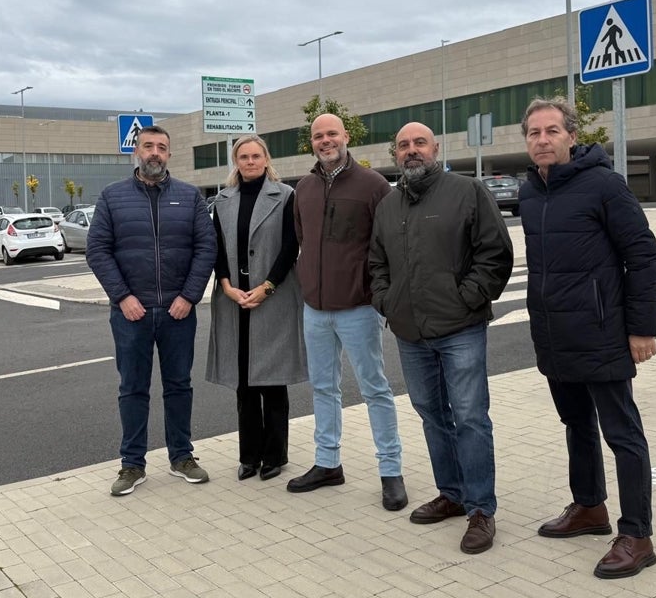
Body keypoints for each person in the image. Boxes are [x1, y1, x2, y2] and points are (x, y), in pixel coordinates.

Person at [519, 97, 656, 579]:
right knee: (576, 424)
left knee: (622, 434)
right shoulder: (530, 190)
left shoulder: (604, 184)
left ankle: (637, 534)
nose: (542, 139)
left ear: (572, 136)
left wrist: (641, 328)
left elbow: (641, 254)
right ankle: (590, 509)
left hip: (601, 331)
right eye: (534, 132)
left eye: (552, 131)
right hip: (555, 333)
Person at [370, 122, 514, 554]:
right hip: (410, 331)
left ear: (436, 148)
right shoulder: (388, 205)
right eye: (403, 145)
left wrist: (467, 298)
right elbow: (376, 261)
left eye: (419, 144)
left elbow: (495, 253)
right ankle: (451, 493)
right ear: (394, 154)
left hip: (460, 328)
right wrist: (386, 301)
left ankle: (481, 510)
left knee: (470, 416)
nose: (411, 151)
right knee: (432, 413)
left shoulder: (467, 192)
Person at [86, 125, 217, 497]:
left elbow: (205, 249)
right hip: (132, 313)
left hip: (178, 311)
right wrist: (122, 297)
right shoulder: (112, 197)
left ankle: (181, 457)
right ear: (136, 152)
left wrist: (189, 296)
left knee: (179, 385)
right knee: (132, 388)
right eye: (148, 146)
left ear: (170, 154)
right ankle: (132, 464)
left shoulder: (190, 197)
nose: (155, 152)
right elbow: (97, 250)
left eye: (161, 147)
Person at [287, 112, 407, 512]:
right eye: (318, 135)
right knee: (323, 388)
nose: (325, 140)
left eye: (332, 133)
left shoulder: (373, 185)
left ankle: (391, 471)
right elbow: (304, 240)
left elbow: (389, 243)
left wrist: (380, 296)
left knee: (375, 389)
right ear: (312, 142)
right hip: (315, 309)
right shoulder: (302, 188)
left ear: (346, 136)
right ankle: (327, 463)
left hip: (358, 307)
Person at [206, 135, 307, 481]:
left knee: (272, 381)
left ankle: (275, 455)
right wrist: (226, 286)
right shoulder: (223, 200)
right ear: (236, 161)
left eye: (255, 155)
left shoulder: (286, 197)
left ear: (266, 158)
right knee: (244, 383)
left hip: (272, 296)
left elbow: (290, 247)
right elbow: (216, 248)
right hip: (235, 298)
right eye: (243, 157)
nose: (249, 162)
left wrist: (267, 286)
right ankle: (249, 455)